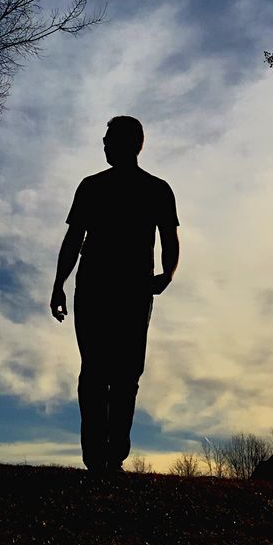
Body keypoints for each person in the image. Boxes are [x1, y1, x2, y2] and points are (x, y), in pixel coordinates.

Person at [50, 116, 179, 473]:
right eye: (105, 140)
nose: (104, 145)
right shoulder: (91, 187)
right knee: (95, 372)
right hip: (93, 289)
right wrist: (59, 283)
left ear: (132, 144)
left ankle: (114, 454)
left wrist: (167, 274)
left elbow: (169, 237)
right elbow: (74, 239)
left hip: (133, 292)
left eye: (110, 140)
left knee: (124, 375)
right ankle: (96, 457)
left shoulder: (157, 189)